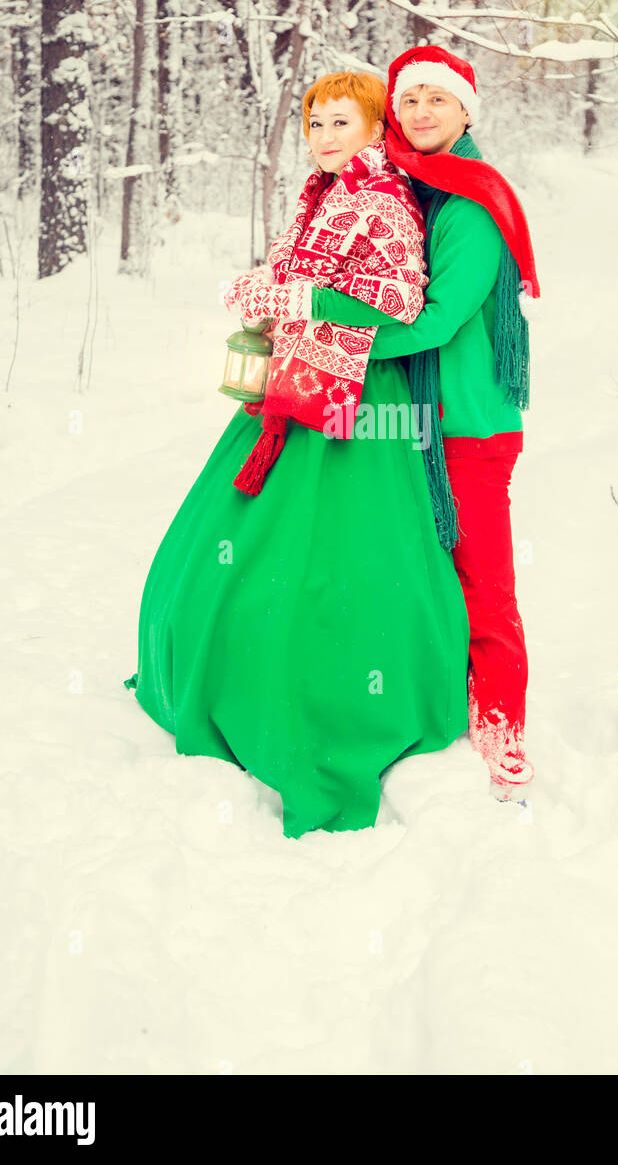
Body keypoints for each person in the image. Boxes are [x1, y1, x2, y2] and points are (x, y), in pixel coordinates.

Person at [122, 70, 470, 839]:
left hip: (353, 397)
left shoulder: (382, 202)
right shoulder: (323, 193)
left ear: (375, 129)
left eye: (341, 122)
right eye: (315, 123)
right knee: (241, 544)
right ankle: (227, 676)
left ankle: (335, 705)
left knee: (344, 554)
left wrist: (294, 300)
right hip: (296, 378)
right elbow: (299, 272)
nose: (324, 136)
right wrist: (265, 290)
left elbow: (399, 301)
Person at [306, 46, 541, 801]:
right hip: (417, 421)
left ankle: (501, 718)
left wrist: (336, 340)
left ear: (467, 110)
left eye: (438, 100)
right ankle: (432, 696)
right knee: (423, 570)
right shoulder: (419, 188)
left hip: (469, 424)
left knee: (482, 575)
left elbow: (437, 319)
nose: (421, 113)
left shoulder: (471, 201)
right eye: (409, 102)